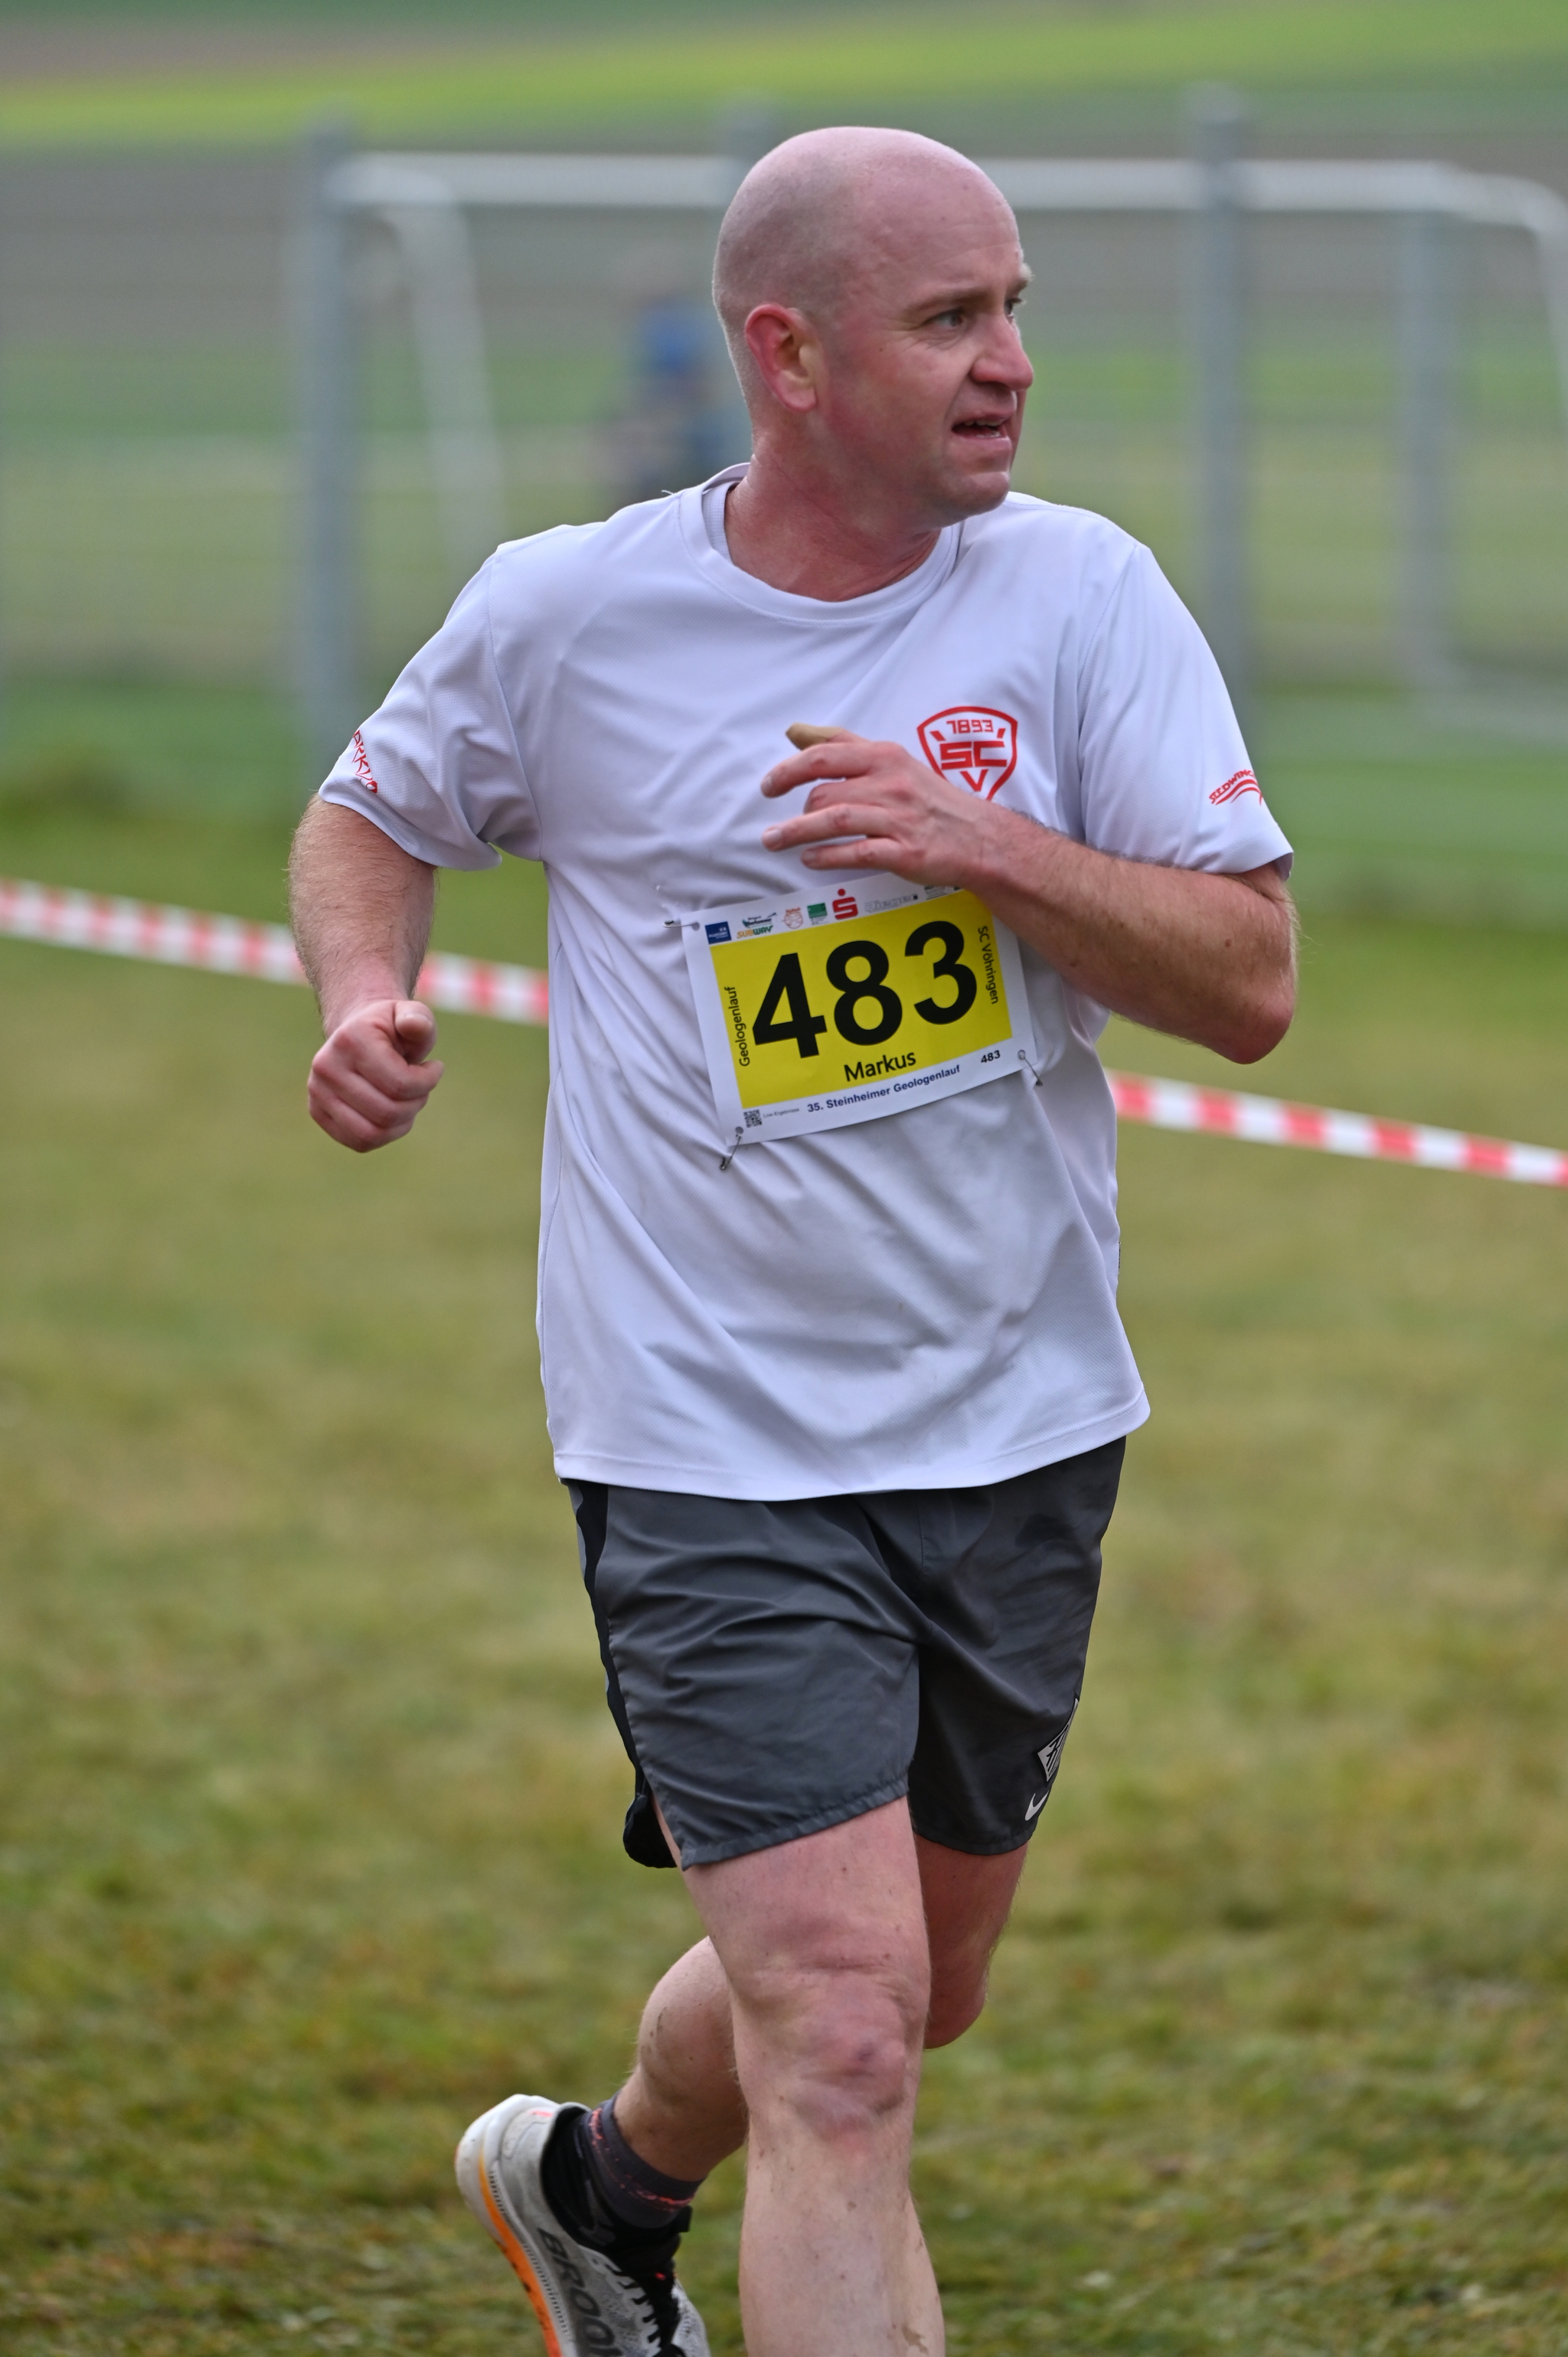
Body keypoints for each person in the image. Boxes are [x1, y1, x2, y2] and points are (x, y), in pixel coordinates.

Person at [289, 126, 1295, 2357]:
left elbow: (1250, 983)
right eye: (949, 319)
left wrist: (983, 845)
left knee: (919, 1988)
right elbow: (369, 812)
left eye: (1014, 310)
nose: (1007, 361)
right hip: (705, 1437)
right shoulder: (572, 610)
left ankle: (598, 2184)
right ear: (791, 355)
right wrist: (362, 992)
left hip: (1023, 1415)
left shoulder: (1084, 598)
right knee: (841, 2036)